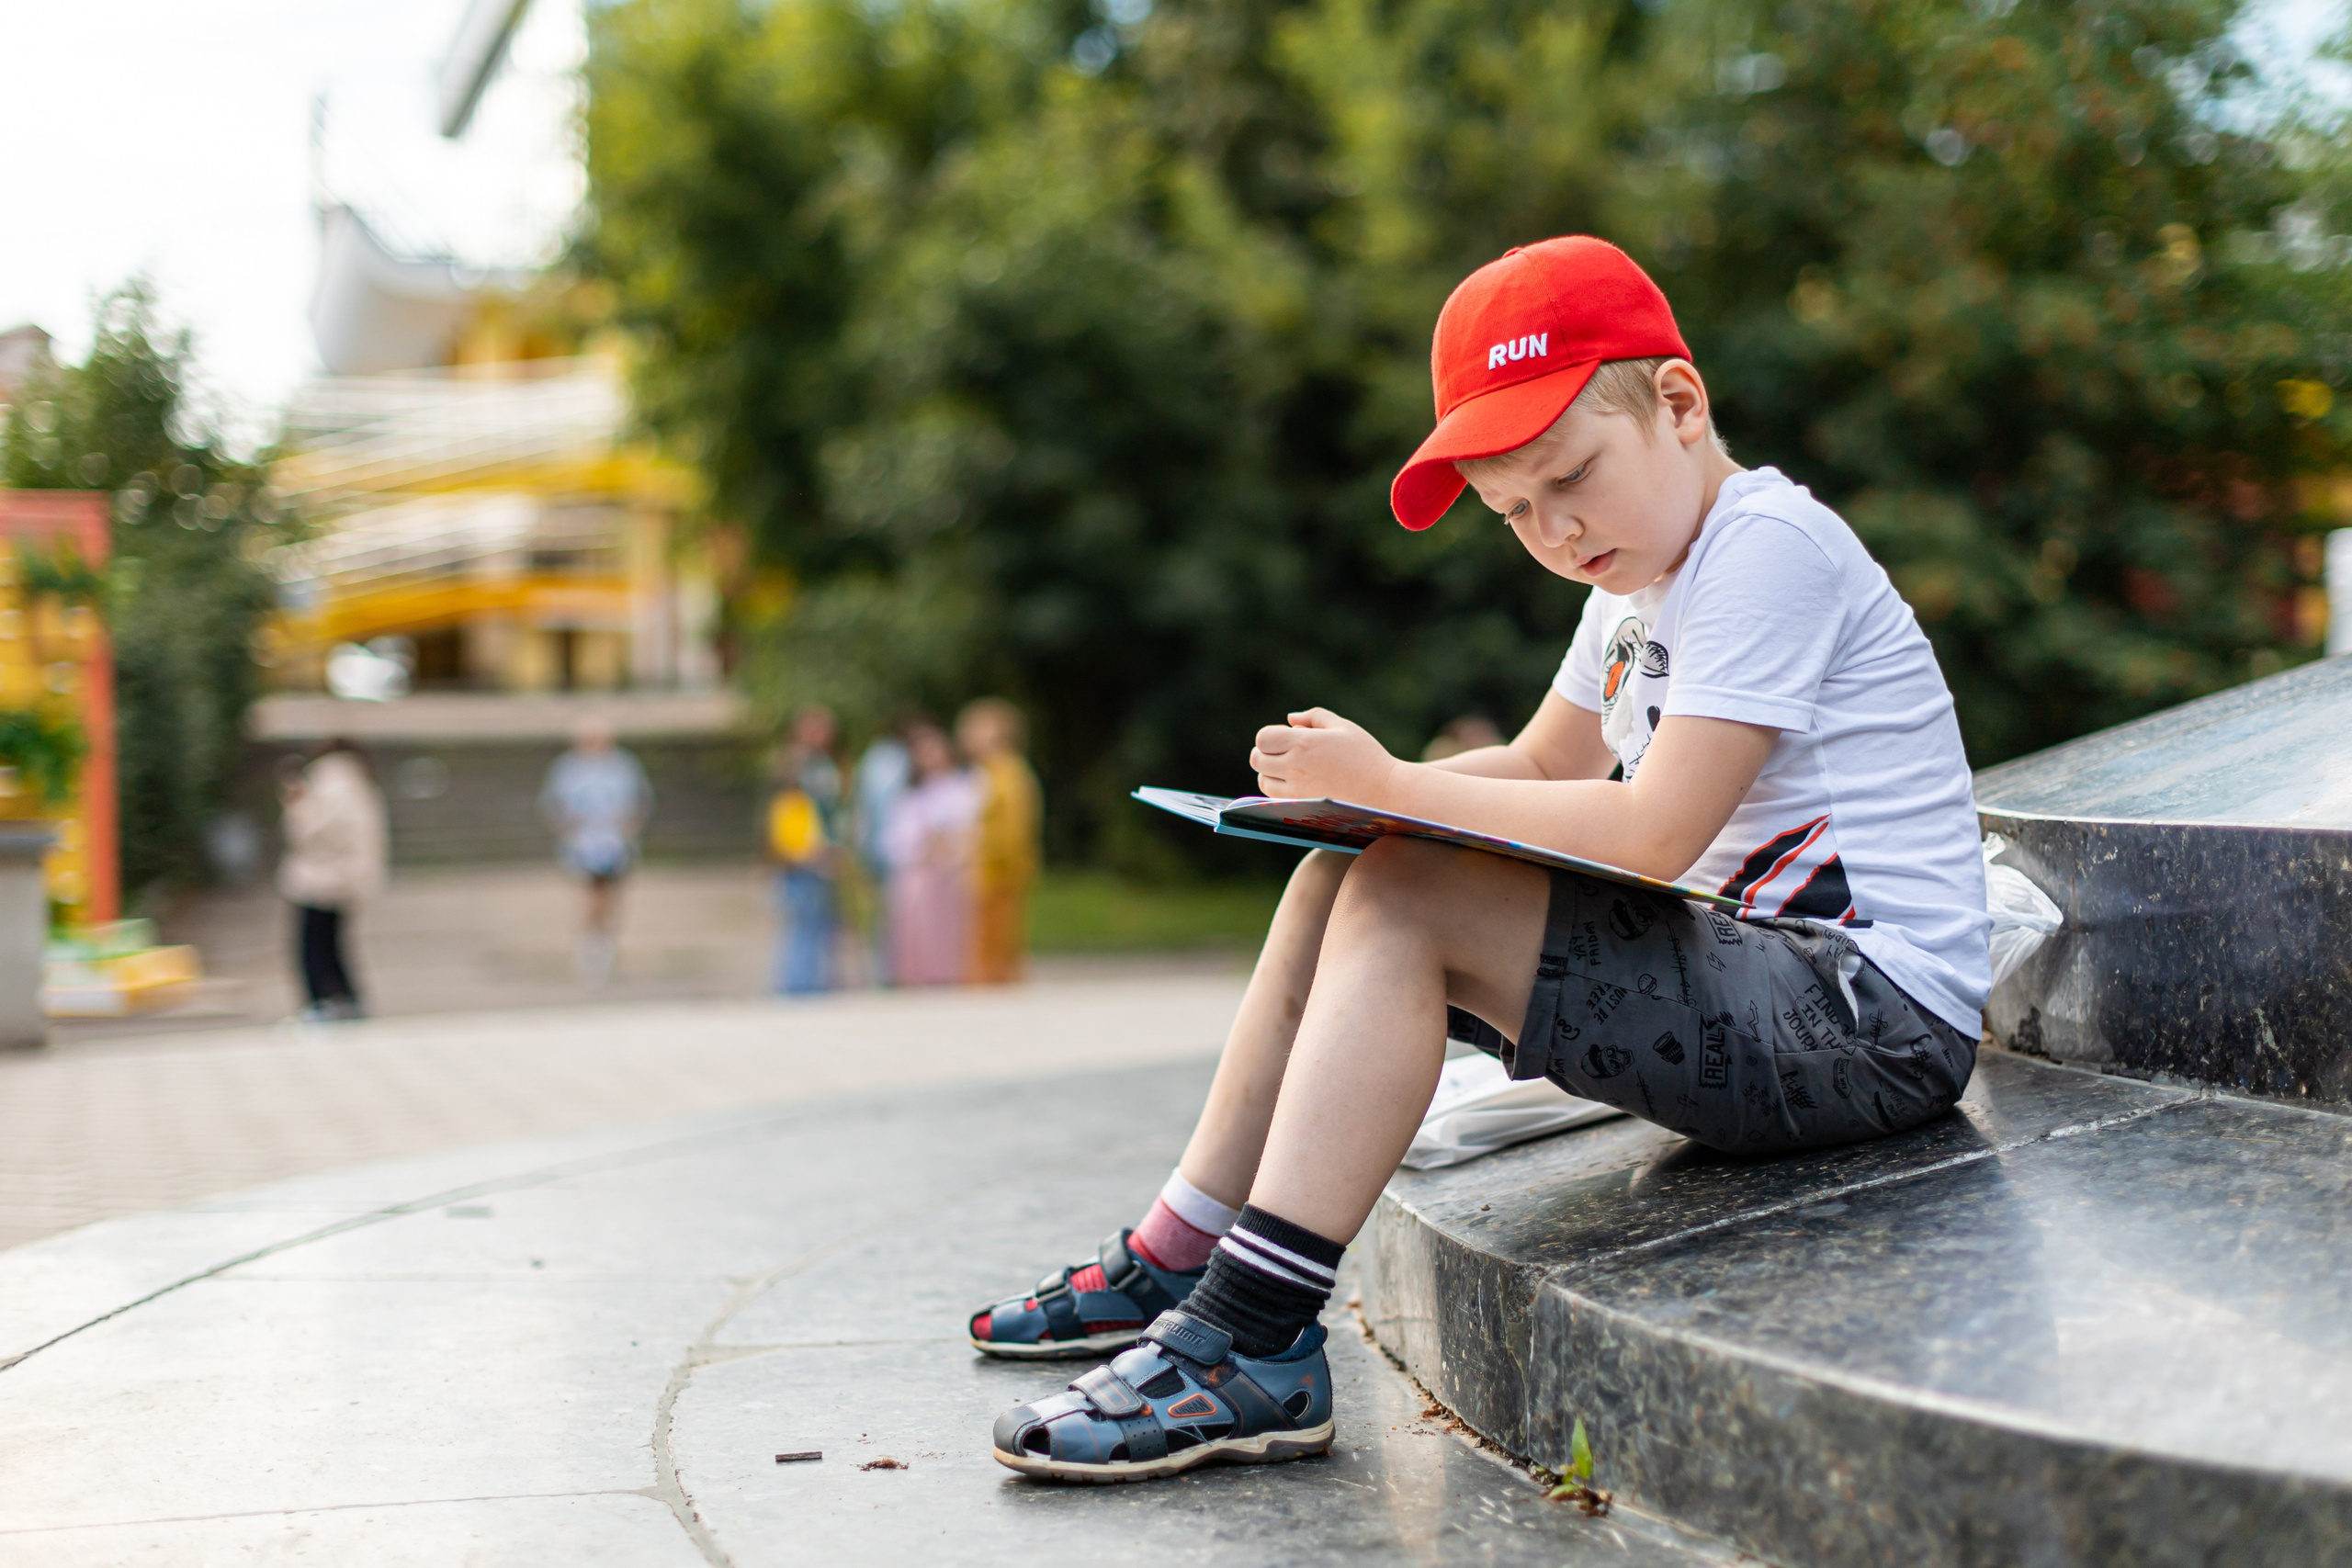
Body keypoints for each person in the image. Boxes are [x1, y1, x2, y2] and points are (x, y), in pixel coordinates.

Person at [973, 237, 1991, 1483]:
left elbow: (1660, 826)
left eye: (1571, 477)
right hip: (1770, 990)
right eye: (1513, 511)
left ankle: (1250, 1339)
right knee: (1345, 871)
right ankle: (1180, 1247)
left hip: (1868, 1019)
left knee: (1402, 882)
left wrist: (1393, 791)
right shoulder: (1627, 586)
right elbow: (1549, 765)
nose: (1554, 530)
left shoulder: (1767, 545)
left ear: (1680, 403)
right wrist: (1357, 803)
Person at [277, 739, 388, 1021]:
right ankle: (346, 999)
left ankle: (325, 1002)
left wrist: (296, 804)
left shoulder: (330, 782)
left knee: (313, 946)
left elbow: (313, 830)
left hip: (322, 879)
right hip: (342, 877)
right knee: (333, 943)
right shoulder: (355, 782)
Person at [539, 717, 654, 984]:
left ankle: (605, 940)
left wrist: (629, 825)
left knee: (613, 894)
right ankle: (591, 941)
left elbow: (640, 799)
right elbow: (552, 803)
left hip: (616, 842)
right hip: (584, 842)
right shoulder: (568, 768)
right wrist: (566, 827)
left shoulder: (623, 765)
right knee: (592, 893)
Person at [879, 718, 979, 986]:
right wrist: (920, 849)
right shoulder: (912, 796)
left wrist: (951, 847)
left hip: (952, 872)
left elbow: (973, 829)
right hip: (920, 871)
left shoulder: (964, 788)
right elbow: (895, 839)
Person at [956, 697, 1041, 984]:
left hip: (999, 871)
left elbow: (1012, 829)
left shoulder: (1006, 773)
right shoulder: (991, 772)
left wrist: (984, 857)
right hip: (991, 868)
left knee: (996, 941)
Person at [768, 705, 844, 995]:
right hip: (801, 857)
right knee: (801, 925)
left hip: (822, 856)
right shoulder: (796, 769)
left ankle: (813, 984)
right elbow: (785, 823)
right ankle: (797, 988)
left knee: (819, 926)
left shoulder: (826, 766)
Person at [850, 728, 913, 986]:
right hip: (884, 848)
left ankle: (892, 969)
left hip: (893, 849)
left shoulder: (877, 760)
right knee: (884, 913)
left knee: (893, 913)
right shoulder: (885, 760)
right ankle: (886, 969)